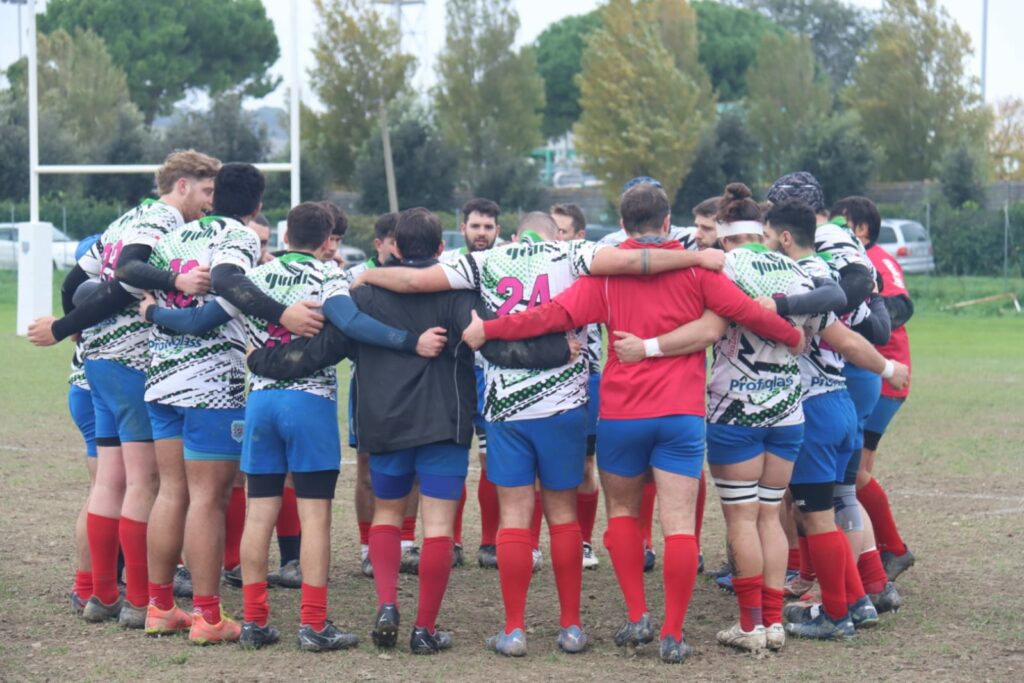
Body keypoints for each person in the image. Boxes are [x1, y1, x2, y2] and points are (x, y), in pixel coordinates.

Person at [354, 208, 725, 658]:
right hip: (564, 405)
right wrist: (694, 258)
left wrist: (367, 278)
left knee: (515, 518)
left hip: (506, 407)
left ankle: (514, 630)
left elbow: (413, 282)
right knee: (563, 514)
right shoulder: (573, 253)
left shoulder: (485, 260)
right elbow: (634, 262)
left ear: (514, 235)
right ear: (554, 235)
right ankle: (571, 626)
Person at [463, 183, 803, 664]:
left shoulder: (606, 276)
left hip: (623, 415)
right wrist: (791, 334)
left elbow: (549, 316)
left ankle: (638, 614)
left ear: (622, 226)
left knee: (622, 514)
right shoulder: (696, 270)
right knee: (679, 526)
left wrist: (490, 328)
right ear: (668, 224)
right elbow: (745, 311)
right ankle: (673, 632)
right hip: (681, 416)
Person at [246, 207, 574, 654]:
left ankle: (386, 603)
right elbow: (495, 345)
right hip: (444, 420)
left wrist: (258, 360)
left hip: (384, 422)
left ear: (393, 247)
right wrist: (559, 349)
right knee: (437, 526)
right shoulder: (459, 294)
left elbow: (320, 352)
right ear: (442, 249)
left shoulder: (362, 295)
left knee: (387, 513)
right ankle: (425, 628)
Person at [28, 150, 223, 628]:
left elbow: (77, 279)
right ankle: (139, 600)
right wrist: (176, 278)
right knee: (143, 483)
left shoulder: (124, 220)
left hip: (98, 363)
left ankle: (101, 595)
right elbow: (129, 276)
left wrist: (76, 328)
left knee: (111, 481)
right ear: (181, 185)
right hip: (132, 362)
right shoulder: (160, 219)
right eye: (206, 191)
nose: (209, 202)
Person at [756, 200, 909, 639]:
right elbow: (862, 332)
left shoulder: (790, 283)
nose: (764, 246)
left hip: (814, 412)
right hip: (842, 402)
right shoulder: (830, 279)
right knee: (840, 502)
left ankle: (836, 615)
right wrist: (885, 368)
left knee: (815, 517)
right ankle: (860, 599)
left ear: (785, 238)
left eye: (767, 237)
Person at [136, 162, 267, 643]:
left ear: (213, 198)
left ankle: (159, 607)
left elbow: (154, 298)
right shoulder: (242, 238)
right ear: (257, 206)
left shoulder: (176, 238)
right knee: (208, 499)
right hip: (211, 388)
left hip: (163, 380)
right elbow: (211, 316)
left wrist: (154, 313)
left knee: (172, 493)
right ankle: (208, 618)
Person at [345, 213, 424, 576]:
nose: (399, 248)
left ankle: (406, 544)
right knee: (367, 469)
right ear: (379, 245)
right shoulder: (356, 280)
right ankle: (366, 548)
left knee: (415, 467)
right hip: (370, 387)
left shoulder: (419, 278)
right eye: (393, 242)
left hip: (416, 386)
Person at [842, 197, 917, 581]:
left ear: (862, 229)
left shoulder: (878, 259)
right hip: (868, 374)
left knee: (854, 474)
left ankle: (891, 550)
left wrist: (865, 319)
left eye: (843, 222)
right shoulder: (849, 257)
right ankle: (875, 550)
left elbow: (903, 305)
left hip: (884, 378)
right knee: (853, 473)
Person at [443, 198, 505, 570]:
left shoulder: (506, 264)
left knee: (490, 458)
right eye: (475, 226)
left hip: (494, 372)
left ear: (497, 231)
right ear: (463, 228)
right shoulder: (449, 264)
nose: (481, 233)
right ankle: (450, 540)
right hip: (453, 371)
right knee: (450, 456)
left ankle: (490, 541)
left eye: (487, 227)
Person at [551, 203, 602, 569]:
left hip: (586, 378)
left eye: (563, 232)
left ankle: (583, 542)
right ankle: (542, 542)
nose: (556, 240)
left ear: (579, 237)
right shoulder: (535, 267)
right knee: (542, 465)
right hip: (542, 379)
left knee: (585, 464)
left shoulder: (593, 271)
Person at [67, 235, 101, 614]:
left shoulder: (82, 301)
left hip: (83, 390)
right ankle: (87, 584)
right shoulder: (98, 295)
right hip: (95, 394)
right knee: (104, 489)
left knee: (106, 488)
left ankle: (97, 580)